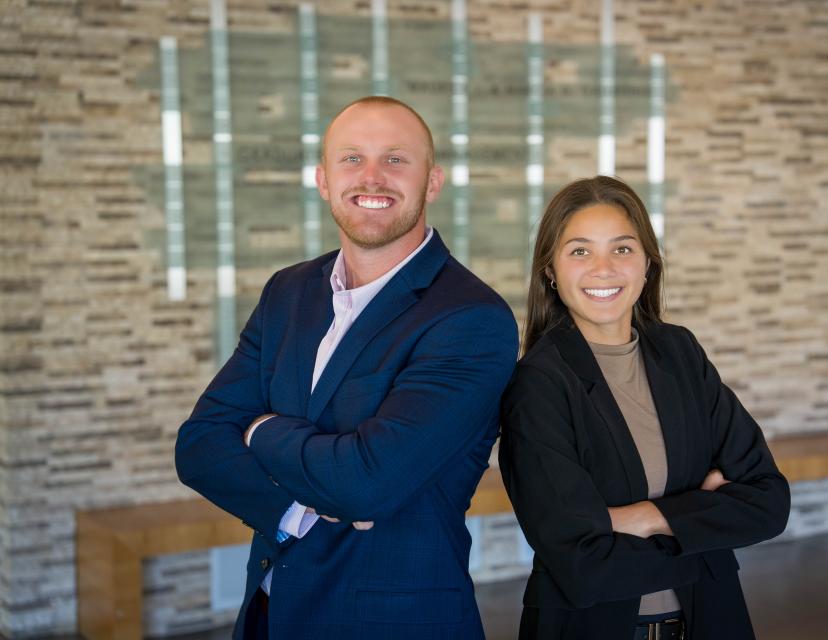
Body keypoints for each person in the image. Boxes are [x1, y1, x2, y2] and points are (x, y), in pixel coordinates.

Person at [175, 96, 519, 639]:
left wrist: (260, 428)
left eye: (397, 159)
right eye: (352, 159)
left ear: (432, 182)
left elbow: (366, 482)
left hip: (393, 625)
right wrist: (296, 511)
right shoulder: (287, 292)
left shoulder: (471, 318)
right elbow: (197, 446)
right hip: (269, 615)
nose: (373, 178)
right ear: (323, 179)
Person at [498, 176, 790, 640]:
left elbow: (769, 502)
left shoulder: (679, 352)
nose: (603, 268)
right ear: (550, 270)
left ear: (647, 263)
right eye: (579, 251)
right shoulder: (538, 383)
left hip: (710, 620)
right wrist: (704, 522)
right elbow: (582, 561)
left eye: (622, 249)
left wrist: (643, 518)